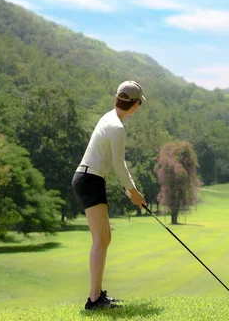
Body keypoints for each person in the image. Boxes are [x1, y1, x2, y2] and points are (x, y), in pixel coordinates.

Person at [72, 81, 147, 310]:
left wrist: (130, 190)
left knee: (104, 239)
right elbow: (118, 165)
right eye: (139, 103)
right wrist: (133, 192)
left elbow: (117, 164)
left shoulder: (110, 118)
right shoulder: (117, 127)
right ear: (134, 105)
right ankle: (94, 300)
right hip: (89, 181)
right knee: (100, 241)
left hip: (90, 180)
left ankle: (97, 296)